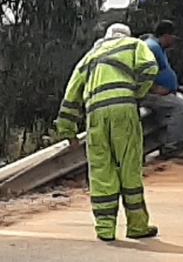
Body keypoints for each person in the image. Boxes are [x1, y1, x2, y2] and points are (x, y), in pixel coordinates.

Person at [55, 23, 160, 242]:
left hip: (95, 113)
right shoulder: (134, 45)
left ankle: (105, 229)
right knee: (128, 166)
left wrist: (68, 130)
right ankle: (137, 226)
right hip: (124, 109)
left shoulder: (88, 58)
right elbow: (150, 68)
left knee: (101, 168)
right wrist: (137, 92)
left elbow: (71, 95)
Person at [141, 20, 183, 160]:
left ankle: (174, 143)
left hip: (161, 92)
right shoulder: (151, 47)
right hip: (149, 94)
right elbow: (141, 71)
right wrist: (153, 88)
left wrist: (176, 87)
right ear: (166, 35)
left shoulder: (158, 47)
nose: (174, 41)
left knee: (180, 106)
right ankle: (172, 148)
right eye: (173, 37)